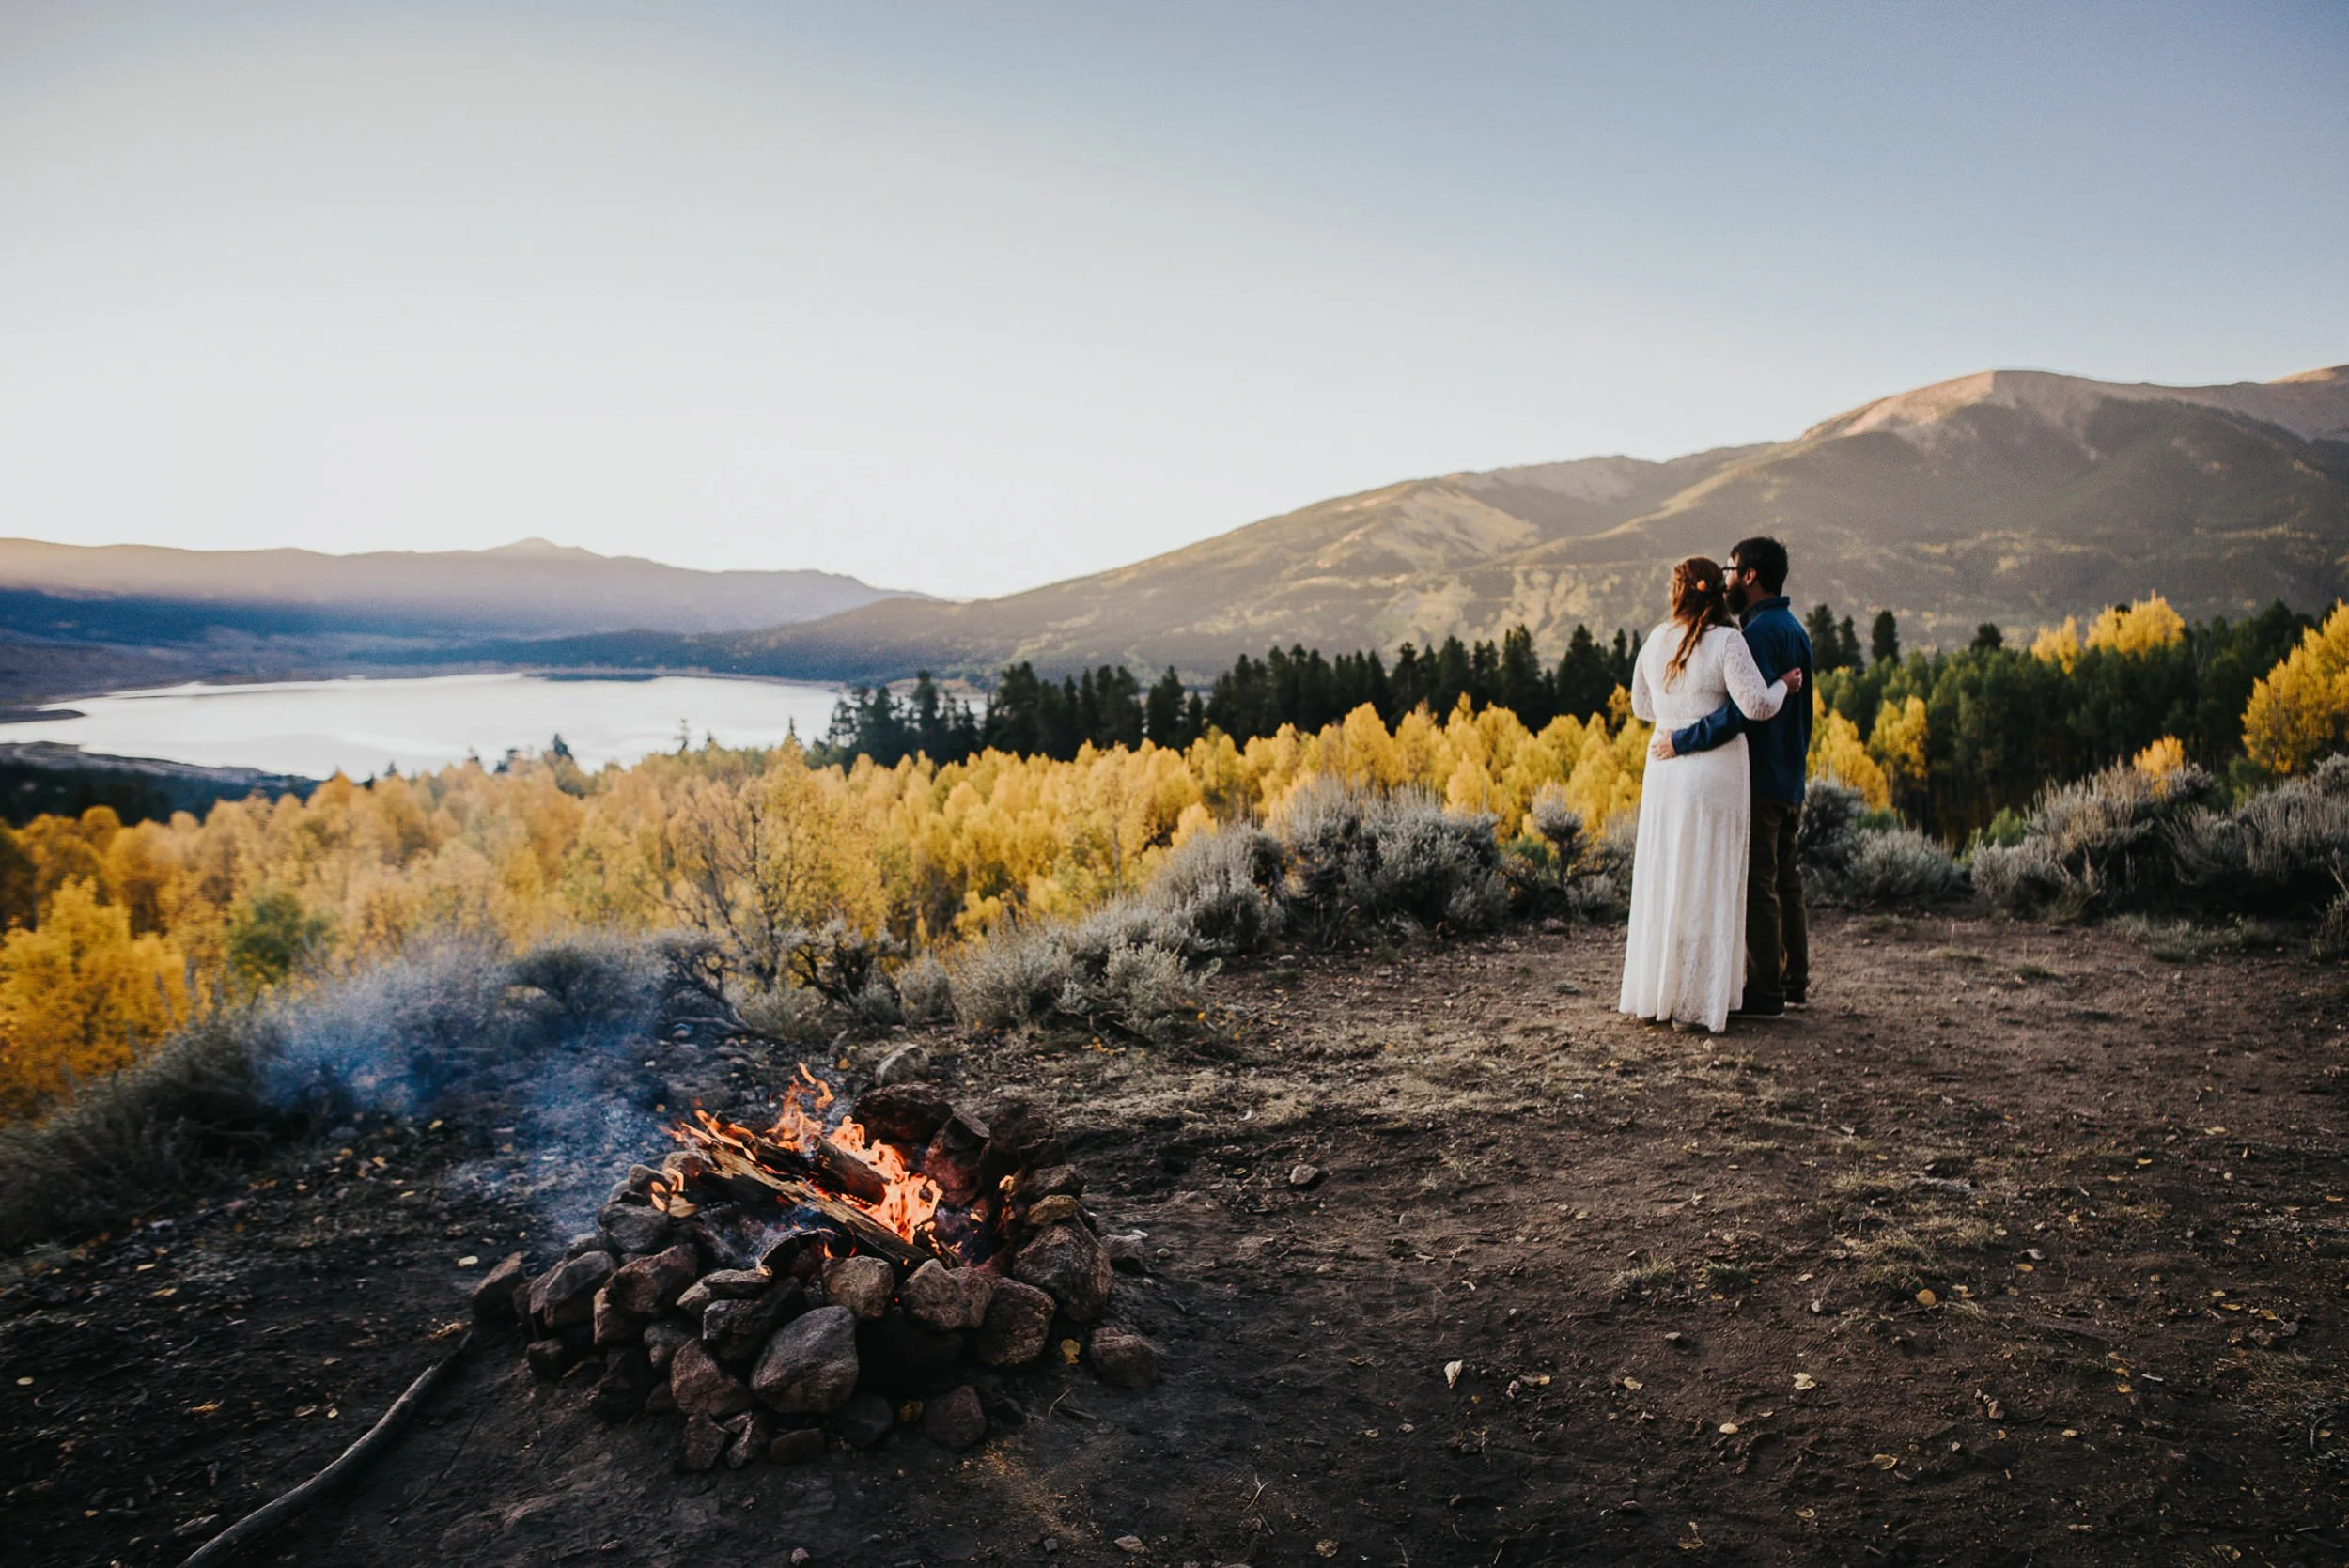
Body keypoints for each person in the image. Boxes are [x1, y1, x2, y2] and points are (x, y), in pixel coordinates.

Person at [1617, 556, 1802, 1033]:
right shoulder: (1727, 642)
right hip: (1715, 773)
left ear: (1677, 593)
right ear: (1716, 591)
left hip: (1663, 771)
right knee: (1710, 881)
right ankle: (1701, 1000)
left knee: (1669, 876)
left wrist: (1674, 715)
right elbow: (1757, 707)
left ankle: (1661, 993)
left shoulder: (1655, 641)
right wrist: (1783, 684)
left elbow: (1641, 705)